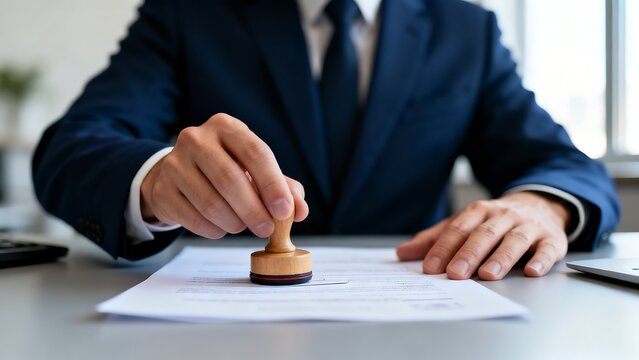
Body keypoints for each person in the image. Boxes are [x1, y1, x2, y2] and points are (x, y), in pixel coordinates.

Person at [32, 0, 620, 281]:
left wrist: (541, 205)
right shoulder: (190, 15)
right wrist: (155, 180)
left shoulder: (465, 29)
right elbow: (69, 148)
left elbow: (558, 161)